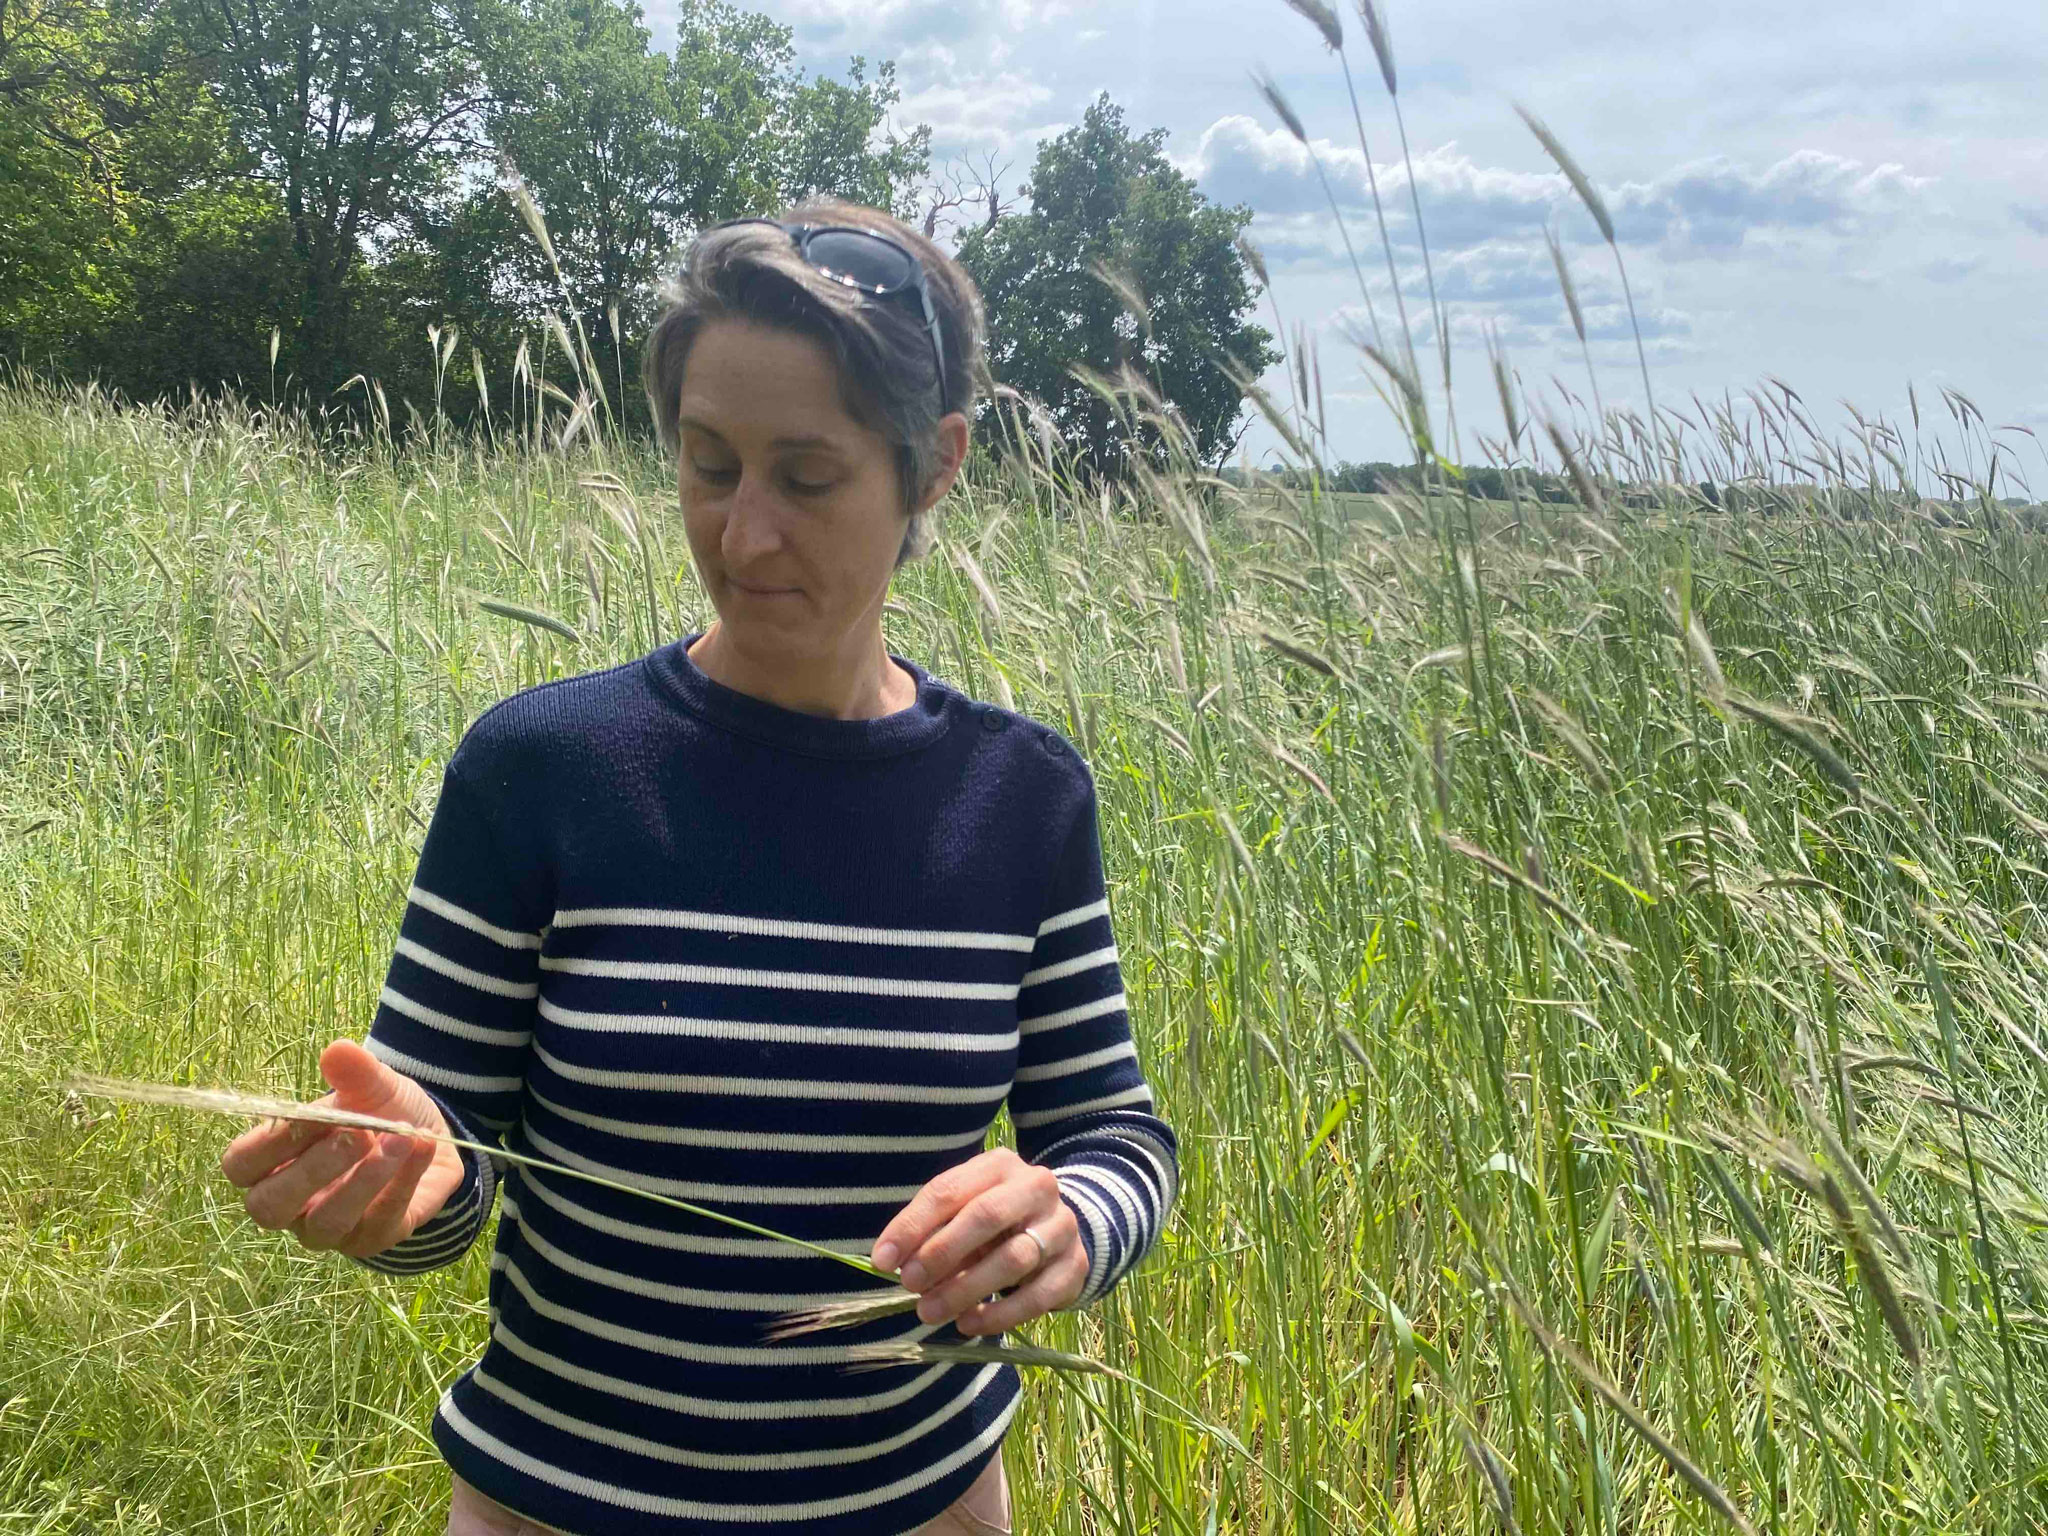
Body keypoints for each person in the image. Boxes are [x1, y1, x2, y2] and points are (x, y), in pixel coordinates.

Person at [218, 198, 1179, 1536]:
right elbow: (444, 1159)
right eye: (709, 464)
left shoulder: (1023, 799)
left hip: (919, 1505)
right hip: (563, 1504)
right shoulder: (539, 768)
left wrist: (1070, 1217)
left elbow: (1115, 1137)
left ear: (936, 466)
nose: (743, 535)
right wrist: (404, 1191)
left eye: (809, 475)